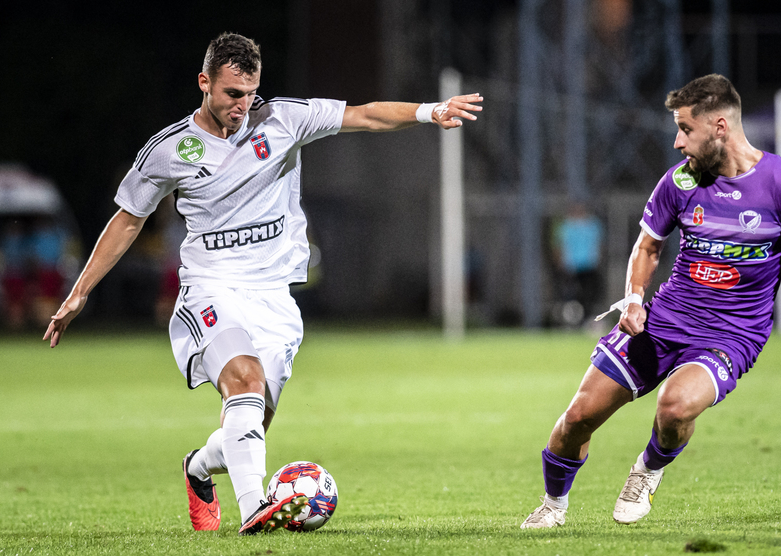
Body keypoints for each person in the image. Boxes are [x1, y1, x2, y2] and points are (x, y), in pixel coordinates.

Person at [43, 32, 482, 535]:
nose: (243, 105)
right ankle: (255, 509)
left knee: (248, 426)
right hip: (211, 289)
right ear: (204, 83)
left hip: (274, 297)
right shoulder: (170, 150)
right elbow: (128, 220)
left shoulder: (282, 119)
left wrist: (430, 111)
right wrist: (79, 292)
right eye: (233, 93)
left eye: (251, 93)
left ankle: (198, 467)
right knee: (245, 382)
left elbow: (364, 115)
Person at [521, 74, 781, 529]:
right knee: (577, 418)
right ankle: (553, 505)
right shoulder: (681, 181)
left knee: (674, 407)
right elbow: (648, 246)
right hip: (665, 320)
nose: (677, 142)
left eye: (686, 129)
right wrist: (634, 299)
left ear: (720, 126)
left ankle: (648, 469)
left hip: (732, 335)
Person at [552, 201, 604, 326]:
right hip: (571, 266)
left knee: (589, 295)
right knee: (570, 296)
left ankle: (587, 319)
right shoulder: (565, 226)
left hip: (588, 266)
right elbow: (558, 246)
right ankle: (569, 322)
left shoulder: (593, 225)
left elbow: (599, 244)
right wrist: (560, 263)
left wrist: (598, 260)